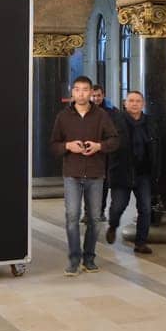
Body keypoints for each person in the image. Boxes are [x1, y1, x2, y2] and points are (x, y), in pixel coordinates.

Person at [50, 76, 119, 275]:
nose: (81, 93)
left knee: (94, 218)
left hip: (96, 173)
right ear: (72, 92)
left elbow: (114, 140)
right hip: (72, 173)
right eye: (77, 89)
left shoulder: (102, 116)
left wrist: (99, 146)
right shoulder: (63, 117)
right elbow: (53, 145)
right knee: (72, 216)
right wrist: (67, 146)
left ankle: (89, 258)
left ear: (91, 93)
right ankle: (73, 259)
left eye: (85, 90)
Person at [107, 91, 158, 254]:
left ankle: (140, 242)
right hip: (122, 172)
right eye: (131, 101)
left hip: (143, 173)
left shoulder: (150, 122)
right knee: (118, 206)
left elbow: (156, 147)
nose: (134, 104)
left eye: (138, 101)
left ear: (143, 104)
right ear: (125, 103)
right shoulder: (116, 121)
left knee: (145, 208)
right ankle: (113, 225)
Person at [91, 85, 120, 222]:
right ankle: (89, 211)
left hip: (105, 151)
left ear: (103, 95)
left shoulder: (112, 112)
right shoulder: (84, 109)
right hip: (90, 151)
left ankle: (100, 210)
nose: (96, 98)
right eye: (94, 95)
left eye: (98, 95)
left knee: (103, 182)